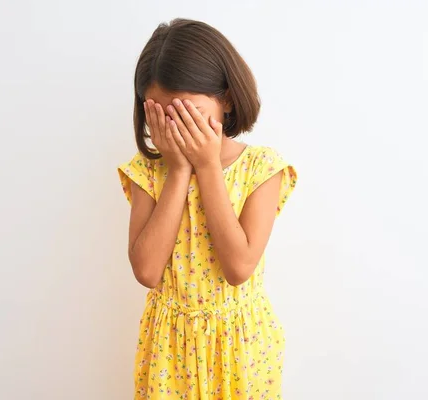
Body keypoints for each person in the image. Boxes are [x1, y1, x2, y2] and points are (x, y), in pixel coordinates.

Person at [117, 18, 297, 400]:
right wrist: (180, 169)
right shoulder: (149, 172)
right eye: (164, 115)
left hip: (241, 348)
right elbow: (147, 271)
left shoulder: (261, 169)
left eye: (190, 112)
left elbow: (239, 268)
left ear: (227, 99)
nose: (178, 127)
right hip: (169, 348)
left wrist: (208, 166)